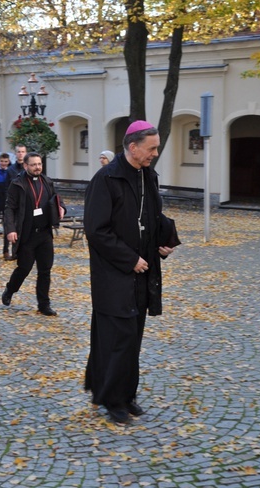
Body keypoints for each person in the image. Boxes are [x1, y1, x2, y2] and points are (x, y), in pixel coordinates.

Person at [83, 120, 177, 425]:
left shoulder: (147, 176)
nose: (155, 153)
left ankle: (126, 394)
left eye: (157, 147)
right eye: (151, 148)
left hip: (141, 272)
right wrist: (129, 259)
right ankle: (113, 400)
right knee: (116, 339)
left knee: (133, 337)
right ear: (133, 147)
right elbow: (97, 230)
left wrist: (164, 242)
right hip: (114, 273)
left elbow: (152, 216)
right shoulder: (106, 179)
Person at [1, 152, 65, 316]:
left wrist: (62, 208)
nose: (37, 167)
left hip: (44, 233)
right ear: (25, 166)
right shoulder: (17, 184)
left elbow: (57, 198)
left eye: (39, 164)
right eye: (33, 164)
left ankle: (44, 305)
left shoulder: (47, 181)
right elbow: (9, 209)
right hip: (27, 234)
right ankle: (10, 290)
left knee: (45, 270)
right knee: (24, 268)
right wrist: (11, 229)